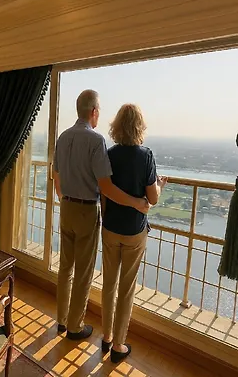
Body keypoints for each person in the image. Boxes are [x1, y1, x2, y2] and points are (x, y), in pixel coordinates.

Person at [53, 90, 150, 341]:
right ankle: (75, 327)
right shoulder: (96, 141)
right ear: (94, 111)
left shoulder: (63, 137)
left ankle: (61, 320)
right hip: (86, 209)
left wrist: (63, 197)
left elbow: (56, 174)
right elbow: (106, 187)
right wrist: (137, 203)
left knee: (65, 267)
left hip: (66, 206)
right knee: (83, 271)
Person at [101, 104, 167, 362]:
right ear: (139, 126)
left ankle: (106, 337)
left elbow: (105, 190)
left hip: (110, 228)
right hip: (134, 231)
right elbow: (153, 198)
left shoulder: (109, 154)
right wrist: (159, 185)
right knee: (126, 288)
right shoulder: (145, 156)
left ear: (116, 126)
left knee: (108, 284)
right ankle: (118, 345)